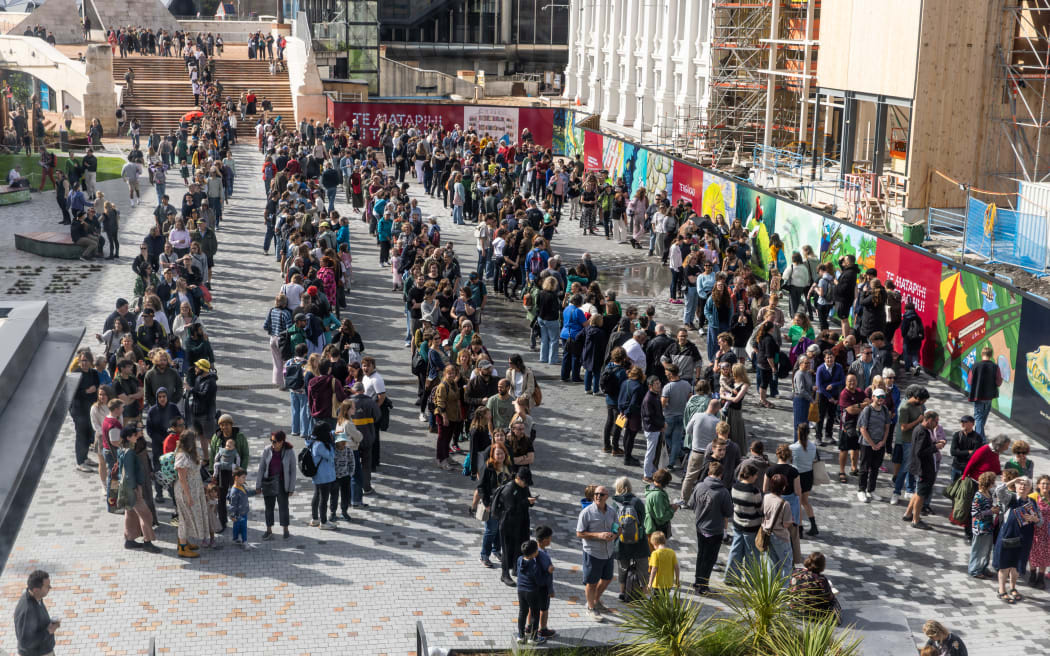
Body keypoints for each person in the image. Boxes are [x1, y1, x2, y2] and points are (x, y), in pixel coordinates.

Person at [994, 475, 1041, 603]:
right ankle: (1001, 590)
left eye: (1026, 484)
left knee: (1016, 566)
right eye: (1020, 484)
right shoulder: (1010, 497)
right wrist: (1013, 480)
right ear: (1015, 486)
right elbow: (998, 490)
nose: (1022, 486)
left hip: (1024, 539)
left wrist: (1035, 519)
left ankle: (1013, 588)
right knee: (1004, 565)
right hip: (1008, 536)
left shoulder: (1032, 503)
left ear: (1030, 488)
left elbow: (1040, 521)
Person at [575, 484, 618, 621]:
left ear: (607, 497)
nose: (598, 496)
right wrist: (598, 535)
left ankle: (595, 601)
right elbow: (579, 533)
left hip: (608, 552)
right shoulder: (587, 512)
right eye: (596, 494)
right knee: (591, 582)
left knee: (607, 578)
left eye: (602, 494)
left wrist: (615, 535)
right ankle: (591, 608)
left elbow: (618, 527)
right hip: (593, 552)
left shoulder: (612, 511)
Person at [690, 461, 733, 595]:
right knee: (710, 559)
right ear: (721, 475)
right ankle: (703, 586)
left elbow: (692, 503)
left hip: (700, 527)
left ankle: (697, 581)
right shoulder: (723, 492)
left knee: (701, 555)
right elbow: (729, 512)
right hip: (715, 530)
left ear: (709, 473)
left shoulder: (699, 486)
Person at [118, 425, 161, 552]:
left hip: (126, 488)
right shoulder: (130, 453)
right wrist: (136, 489)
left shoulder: (122, 450)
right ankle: (148, 542)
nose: (137, 435)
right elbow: (130, 474)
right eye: (134, 434)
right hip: (133, 489)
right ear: (128, 437)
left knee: (130, 514)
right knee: (146, 515)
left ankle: (129, 540)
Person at [472, 440, 513, 568]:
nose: (500, 456)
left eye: (502, 454)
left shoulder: (508, 466)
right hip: (491, 503)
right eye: (498, 454)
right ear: (492, 455)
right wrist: (486, 503)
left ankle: (496, 550)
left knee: (501, 529)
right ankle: (484, 555)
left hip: (504, 505)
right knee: (491, 530)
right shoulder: (488, 467)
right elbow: (481, 487)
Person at [495, 466, 535, 586]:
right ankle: (504, 574)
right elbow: (511, 509)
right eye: (525, 482)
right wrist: (527, 502)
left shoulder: (524, 486)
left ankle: (516, 569)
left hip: (521, 522)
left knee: (520, 546)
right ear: (518, 478)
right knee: (507, 549)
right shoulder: (509, 489)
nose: (526, 485)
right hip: (508, 524)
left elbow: (525, 500)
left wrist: (530, 502)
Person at [903, 410, 944, 530]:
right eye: (936, 421)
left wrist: (934, 444)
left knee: (918, 491)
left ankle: (908, 513)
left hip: (918, 467)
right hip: (923, 468)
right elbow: (920, 452)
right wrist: (935, 447)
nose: (936, 424)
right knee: (921, 495)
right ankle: (916, 520)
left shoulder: (919, 429)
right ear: (929, 420)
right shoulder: (923, 432)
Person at [611, 476, 648, 601]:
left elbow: (613, 524)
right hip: (639, 541)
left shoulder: (614, 503)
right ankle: (643, 594)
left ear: (618, 488)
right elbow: (642, 520)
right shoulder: (637, 502)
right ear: (629, 487)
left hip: (621, 542)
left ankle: (622, 593)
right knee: (643, 567)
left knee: (623, 567)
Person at [725, 462, 763, 583]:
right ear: (751, 476)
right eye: (756, 475)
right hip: (751, 526)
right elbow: (760, 509)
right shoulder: (754, 491)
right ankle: (751, 580)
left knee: (735, 550)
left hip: (737, 523)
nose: (757, 477)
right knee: (751, 554)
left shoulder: (735, 487)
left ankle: (730, 577)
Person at [173, 430, 208, 558]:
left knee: (188, 517)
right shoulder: (182, 456)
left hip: (194, 490)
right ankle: (182, 548)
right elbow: (182, 478)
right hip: (185, 492)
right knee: (184, 519)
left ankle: (184, 542)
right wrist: (188, 496)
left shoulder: (190, 453)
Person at [256, 430, 296, 540]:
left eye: (275, 441)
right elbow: (261, 468)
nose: (273, 444)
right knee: (269, 507)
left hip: (282, 483)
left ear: (282, 441)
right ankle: (269, 530)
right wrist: (258, 485)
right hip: (268, 482)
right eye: (271, 441)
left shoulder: (289, 451)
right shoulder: (267, 450)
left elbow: (293, 471)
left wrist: (291, 488)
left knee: (283, 507)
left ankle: (285, 529)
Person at [856, 388, 891, 502]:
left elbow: (887, 427)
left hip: (880, 444)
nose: (881, 399)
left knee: (875, 468)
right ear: (873, 397)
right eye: (878, 397)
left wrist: (883, 441)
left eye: (883, 397)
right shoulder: (867, 410)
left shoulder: (885, 410)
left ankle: (871, 490)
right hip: (867, 444)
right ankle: (861, 490)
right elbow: (863, 429)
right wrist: (872, 444)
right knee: (864, 468)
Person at [14, 570, 58, 656]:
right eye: (47, 586)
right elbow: (25, 642)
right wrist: (48, 631)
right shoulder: (27, 611)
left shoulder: (37, 597)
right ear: (36, 590)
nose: (50, 588)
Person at [789, 552, 841, 623]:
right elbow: (829, 598)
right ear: (822, 565)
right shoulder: (821, 580)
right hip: (811, 613)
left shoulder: (797, 572)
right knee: (834, 602)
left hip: (795, 609)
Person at [762, 473, 795, 581]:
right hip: (780, 536)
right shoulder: (784, 504)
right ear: (783, 487)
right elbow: (786, 524)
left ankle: (769, 589)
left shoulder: (766, 497)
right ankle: (783, 591)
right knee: (786, 564)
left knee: (771, 563)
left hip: (766, 533)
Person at [307, 423, 338, 530]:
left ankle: (315, 519)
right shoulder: (320, 445)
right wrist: (332, 444)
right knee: (323, 499)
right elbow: (331, 456)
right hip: (324, 476)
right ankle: (323, 522)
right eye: (328, 432)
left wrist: (335, 432)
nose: (330, 434)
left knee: (317, 496)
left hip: (319, 476)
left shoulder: (313, 441)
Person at [515, 539, 545, 645]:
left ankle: (520, 636)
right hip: (532, 591)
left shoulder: (519, 559)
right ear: (534, 553)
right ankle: (533, 638)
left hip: (520, 590)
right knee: (534, 613)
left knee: (522, 612)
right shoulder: (534, 565)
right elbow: (539, 581)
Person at [969, 471, 998, 579]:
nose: (994, 483)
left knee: (986, 550)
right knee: (978, 550)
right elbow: (975, 514)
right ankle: (974, 570)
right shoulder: (978, 496)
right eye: (993, 481)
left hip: (988, 526)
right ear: (988, 482)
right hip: (980, 528)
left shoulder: (989, 493)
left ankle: (983, 567)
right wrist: (991, 511)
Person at [790, 424, 819, 535]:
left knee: (797, 503)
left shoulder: (793, 448)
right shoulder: (813, 447)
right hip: (808, 476)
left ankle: (800, 528)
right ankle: (813, 525)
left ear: (798, 432)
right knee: (805, 502)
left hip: (797, 477)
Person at [967, 345, 1001, 437]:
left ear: (982, 354)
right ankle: (979, 437)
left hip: (978, 396)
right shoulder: (995, 367)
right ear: (991, 355)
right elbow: (998, 382)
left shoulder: (975, 366)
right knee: (982, 418)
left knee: (978, 418)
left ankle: (980, 440)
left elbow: (969, 381)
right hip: (989, 397)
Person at [949, 415, 983, 484]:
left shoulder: (977, 438)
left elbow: (975, 455)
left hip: (968, 469)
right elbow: (952, 452)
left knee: (965, 491)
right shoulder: (957, 435)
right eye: (961, 422)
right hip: (956, 467)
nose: (962, 424)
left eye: (965, 422)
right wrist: (968, 452)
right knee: (953, 489)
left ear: (972, 424)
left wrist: (959, 452)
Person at [227, 467, 250, 545]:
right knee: (242, 528)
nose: (244, 479)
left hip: (244, 512)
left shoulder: (241, 486)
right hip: (238, 514)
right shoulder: (234, 491)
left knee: (238, 527)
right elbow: (232, 505)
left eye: (245, 477)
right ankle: (244, 541)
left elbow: (247, 493)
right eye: (243, 477)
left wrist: (256, 492)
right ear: (236, 478)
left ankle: (236, 538)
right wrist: (232, 515)